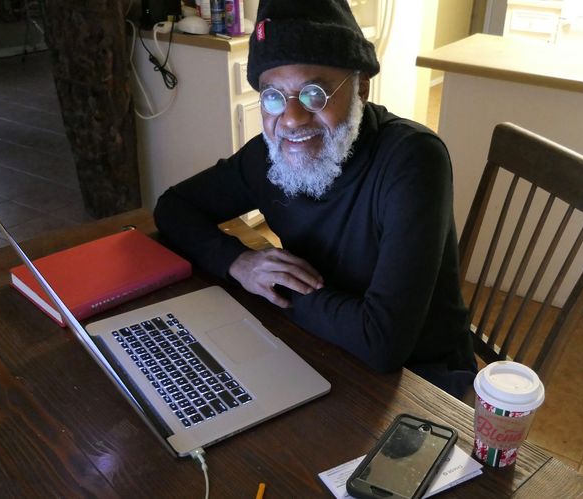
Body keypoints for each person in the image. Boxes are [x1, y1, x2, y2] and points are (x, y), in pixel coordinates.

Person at [154, 0, 477, 399]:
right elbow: (173, 207)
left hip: (423, 382)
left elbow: (383, 343)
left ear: (360, 87)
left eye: (314, 94)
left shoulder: (412, 160)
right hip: (321, 347)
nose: (290, 119)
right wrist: (239, 262)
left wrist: (276, 286)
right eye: (272, 96)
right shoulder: (269, 156)